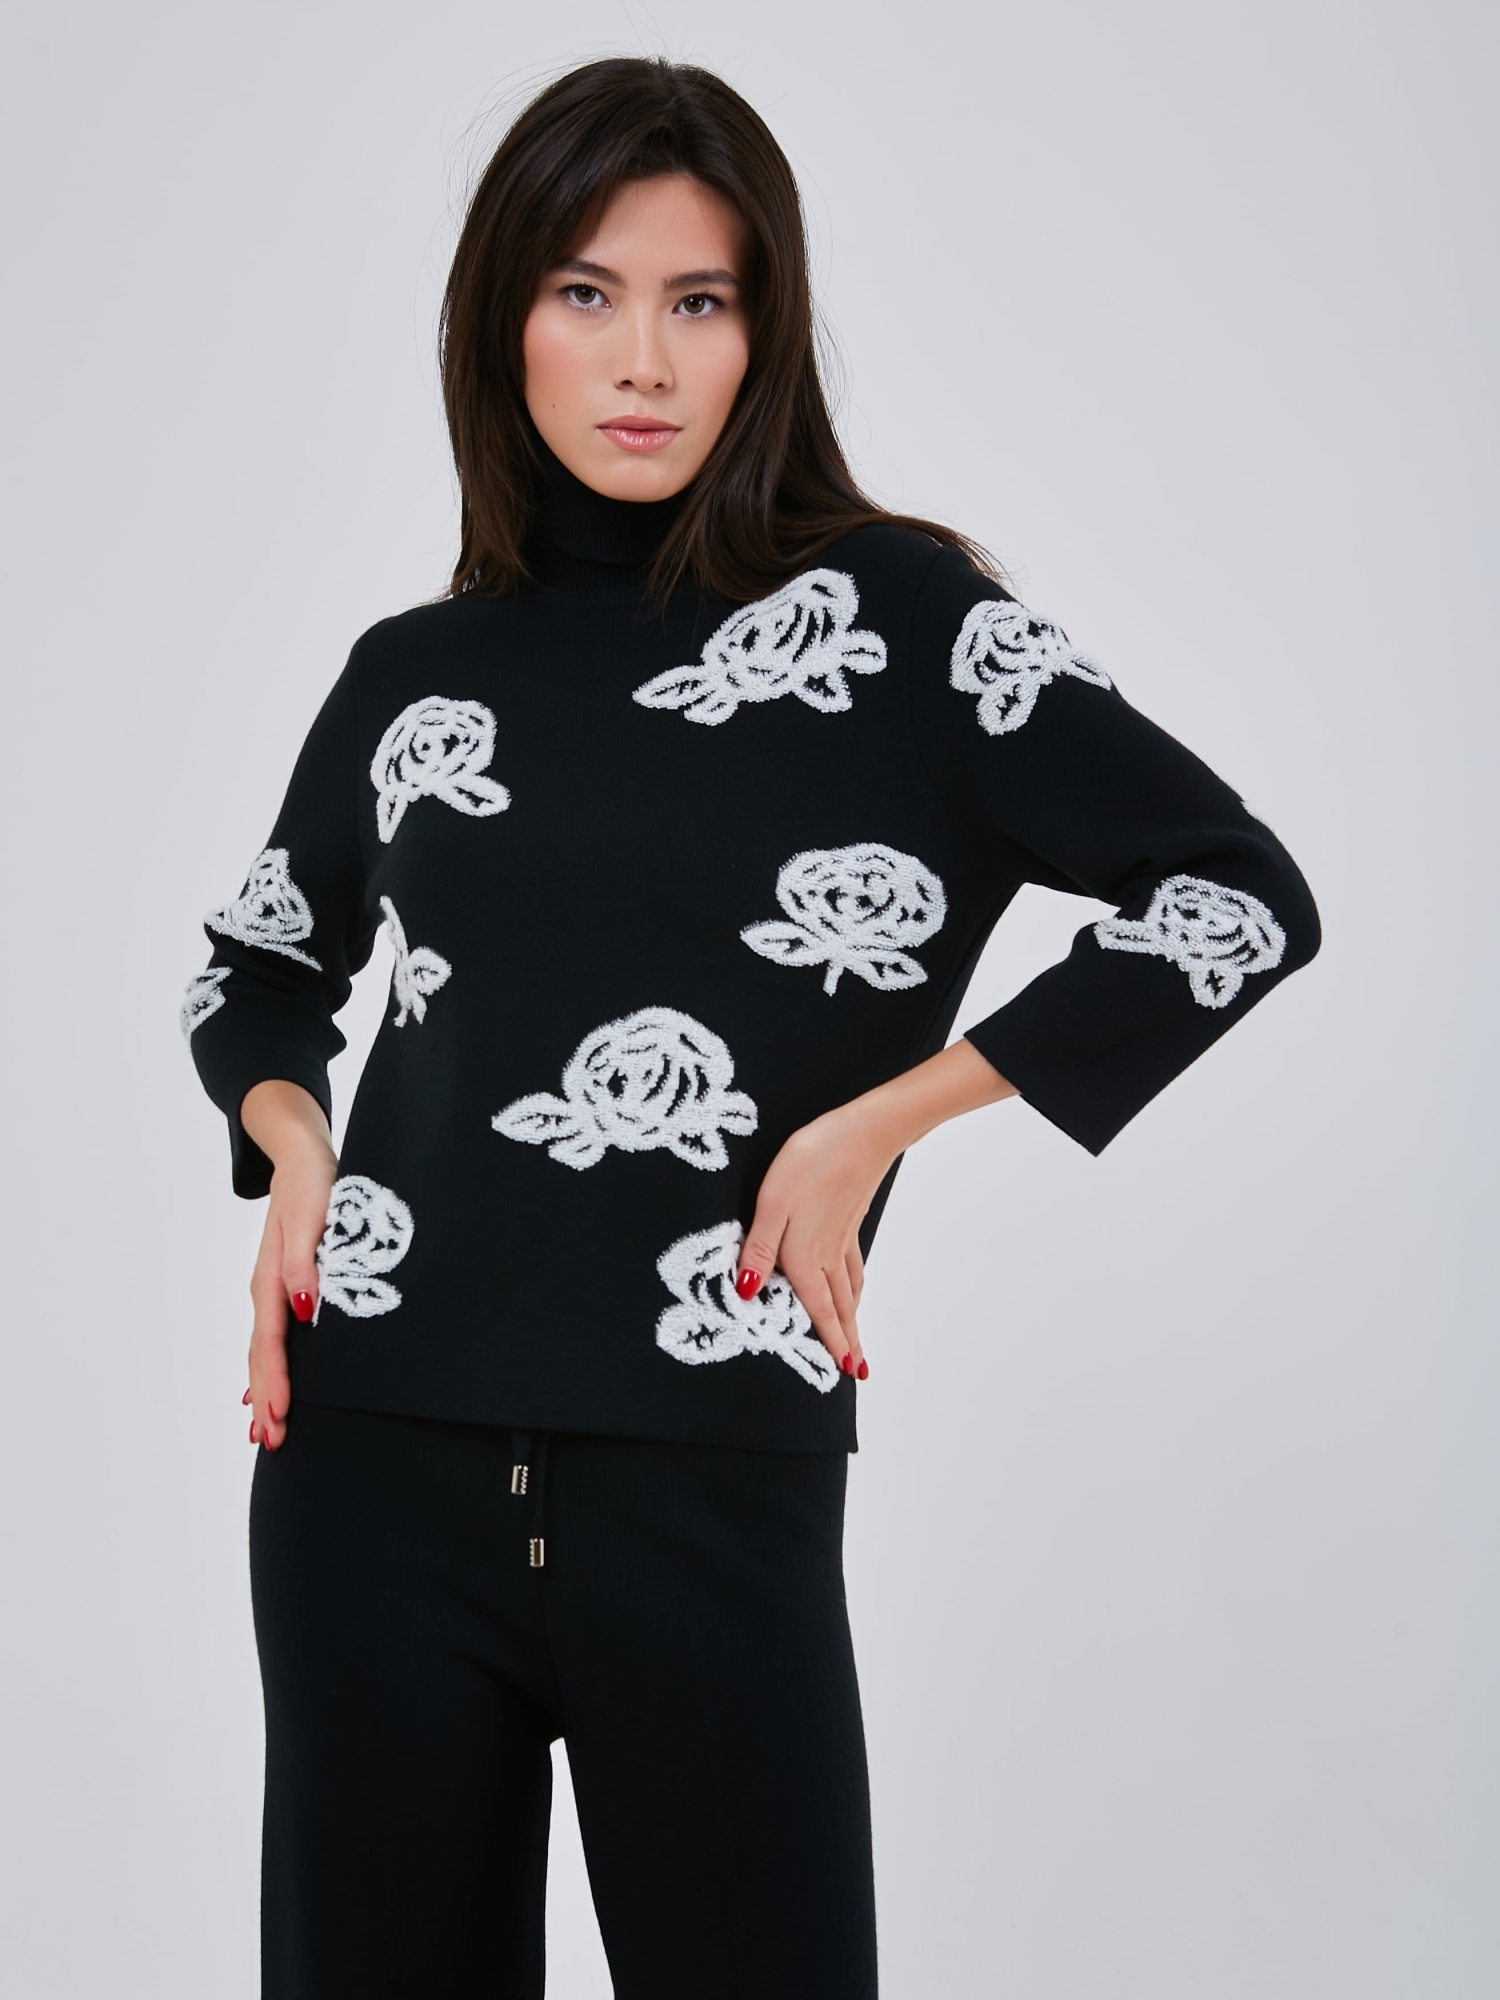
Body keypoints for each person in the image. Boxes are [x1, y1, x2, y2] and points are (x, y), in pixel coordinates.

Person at [180, 54, 1321, 2000]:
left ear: (762, 332)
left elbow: (1236, 897)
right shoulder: (415, 671)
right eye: (587, 293)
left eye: (699, 301)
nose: (645, 360)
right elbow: (261, 962)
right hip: (369, 1463)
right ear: (504, 323)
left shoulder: (908, 626)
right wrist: (293, 1145)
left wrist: (883, 1120)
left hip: (715, 1480)